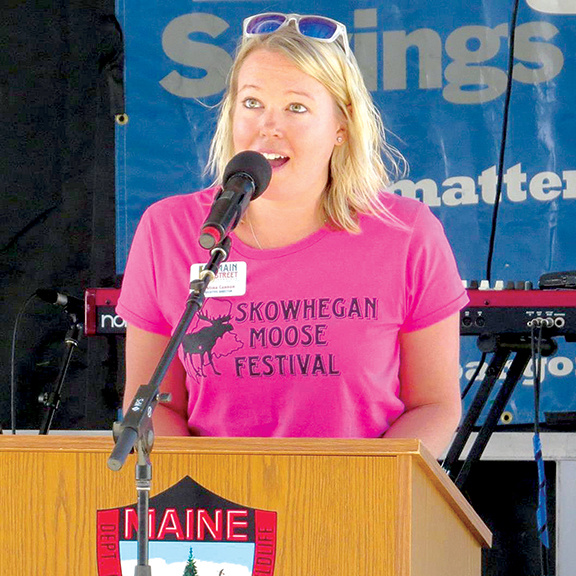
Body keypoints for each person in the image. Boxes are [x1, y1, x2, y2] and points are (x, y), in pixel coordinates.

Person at [116, 12, 467, 458]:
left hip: (358, 510)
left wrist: (361, 491)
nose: (268, 126)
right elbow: (151, 405)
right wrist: (207, 493)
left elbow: (434, 406)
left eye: (296, 107)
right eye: (252, 102)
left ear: (342, 125)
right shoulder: (168, 229)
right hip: (215, 513)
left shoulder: (406, 233)